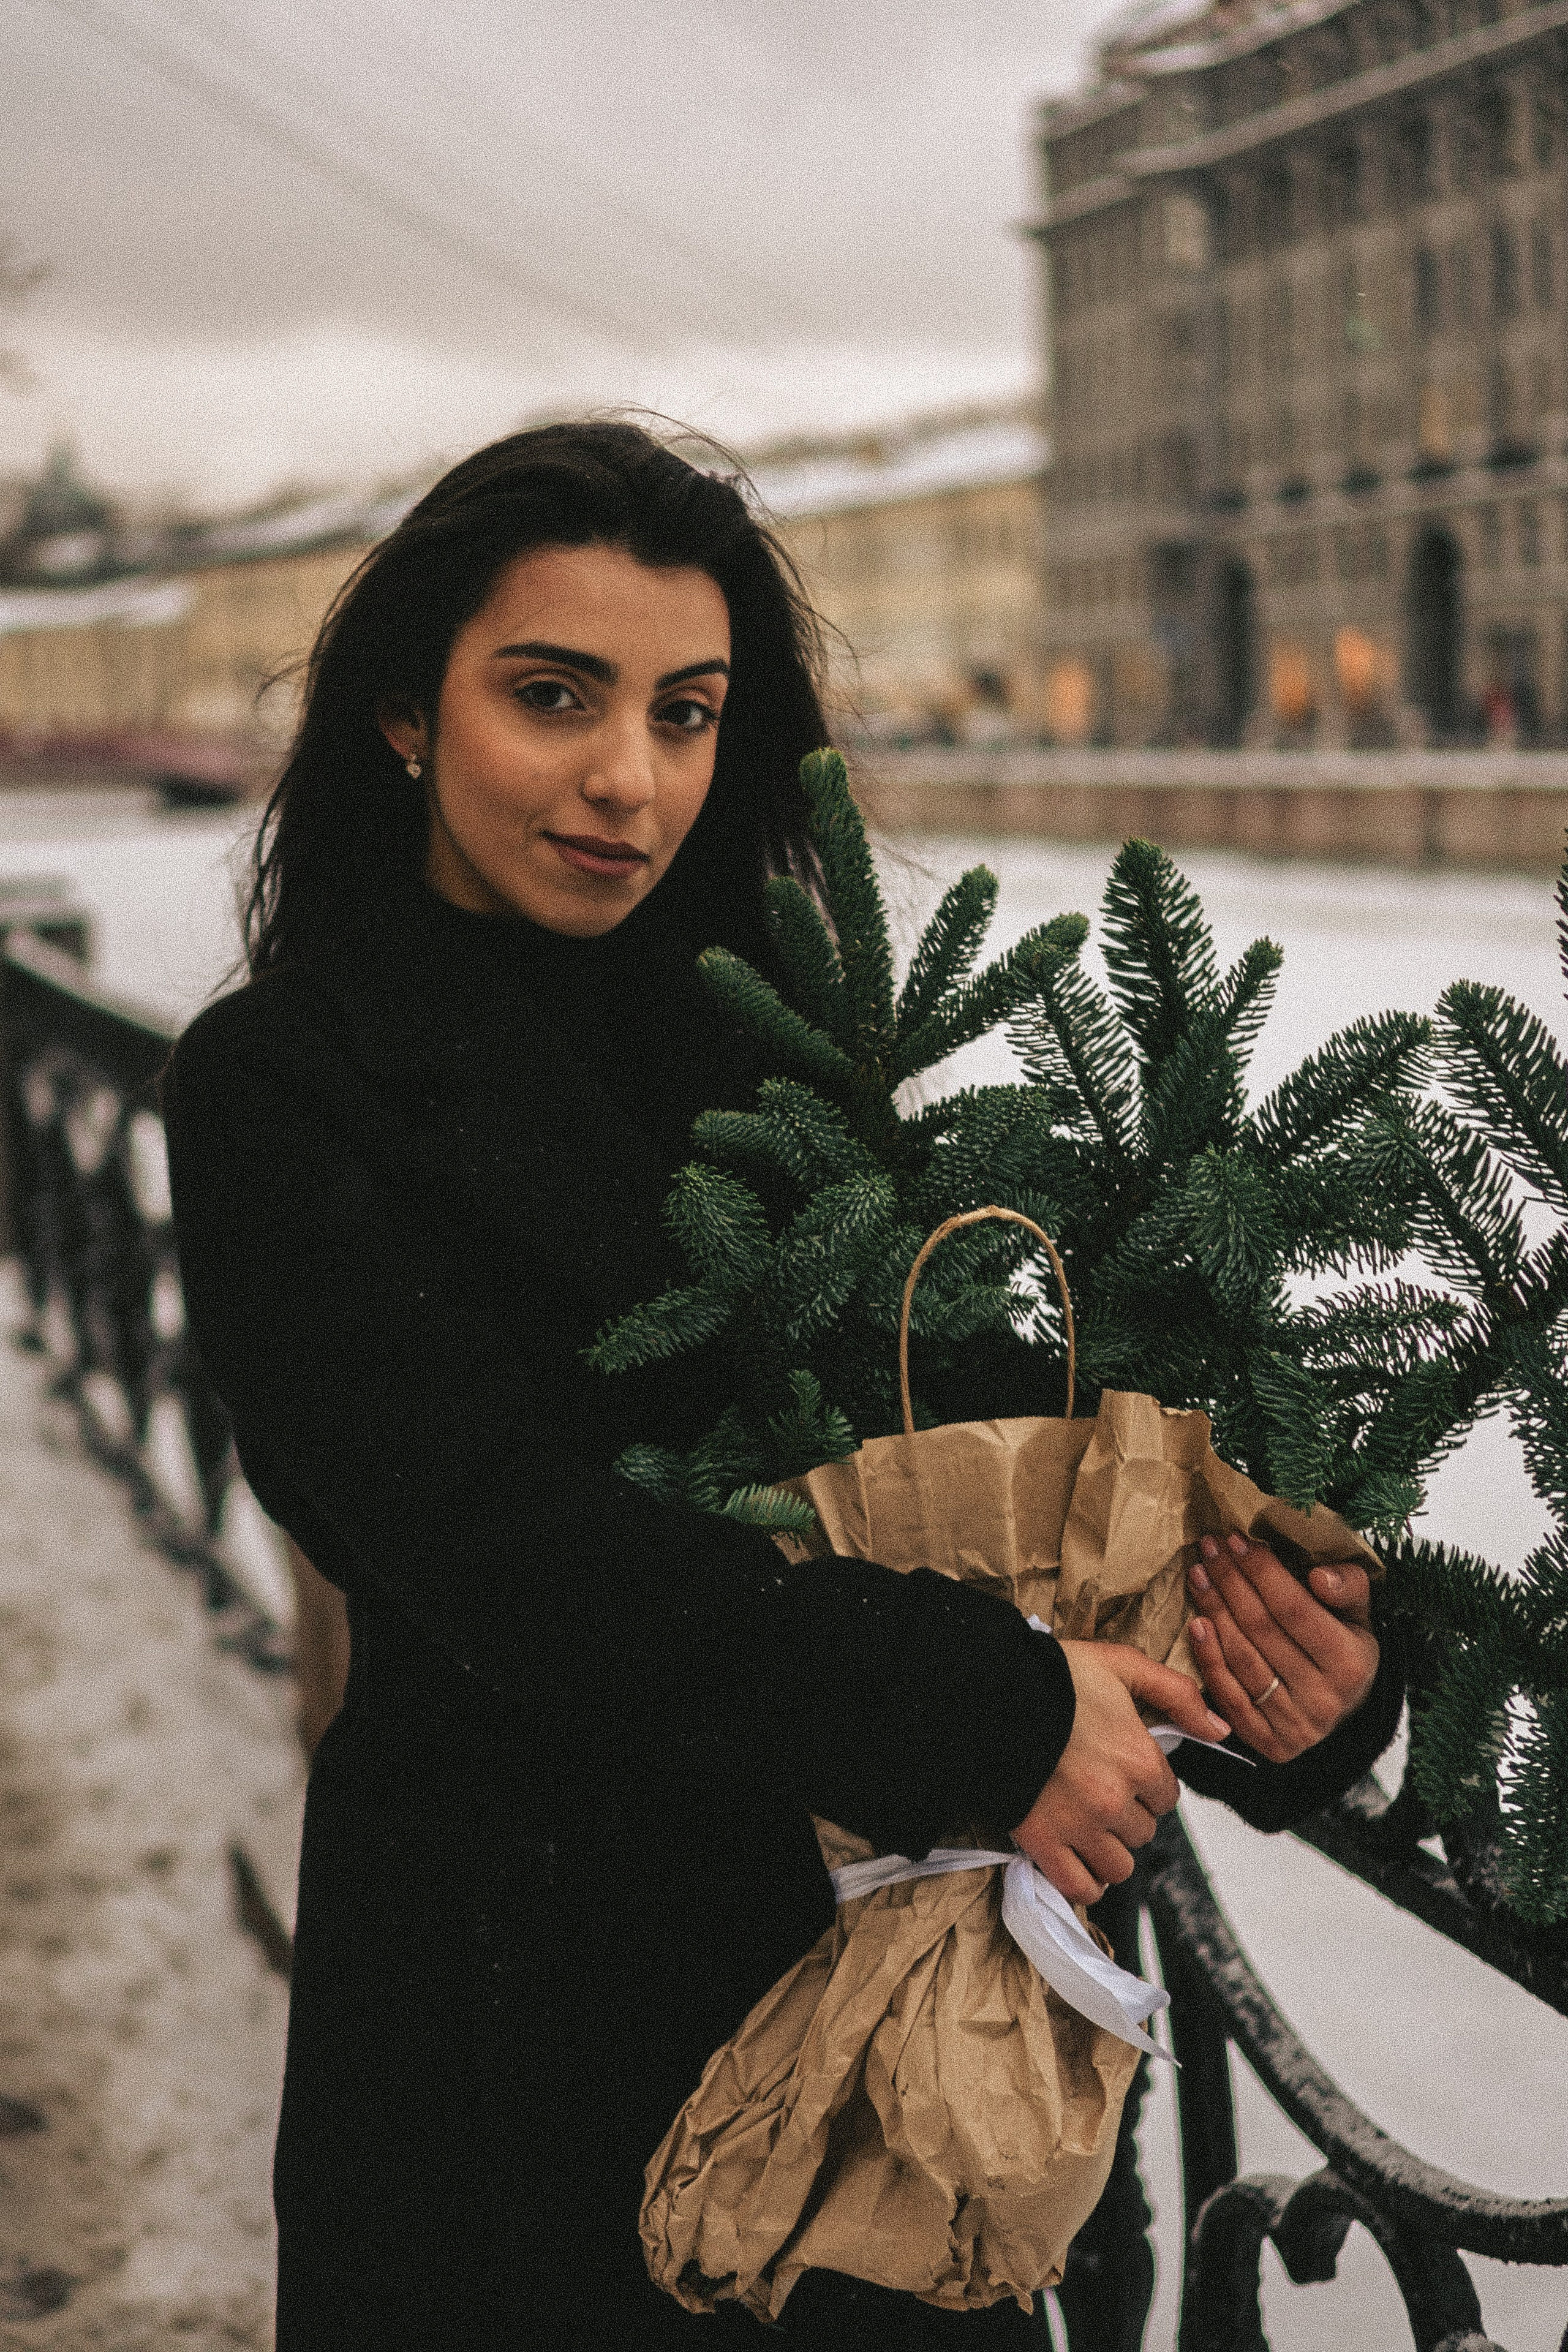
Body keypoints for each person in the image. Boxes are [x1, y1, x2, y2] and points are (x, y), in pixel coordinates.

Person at [162, 421, 1400, 2350]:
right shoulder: (284, 1083)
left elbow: (984, 1444)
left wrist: (1280, 1677)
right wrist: (986, 1714)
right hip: (522, 2052)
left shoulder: (773, 1044)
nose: (625, 778)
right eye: (552, 696)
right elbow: (493, 1545)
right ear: (406, 709)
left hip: (891, 2062)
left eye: (687, 712)